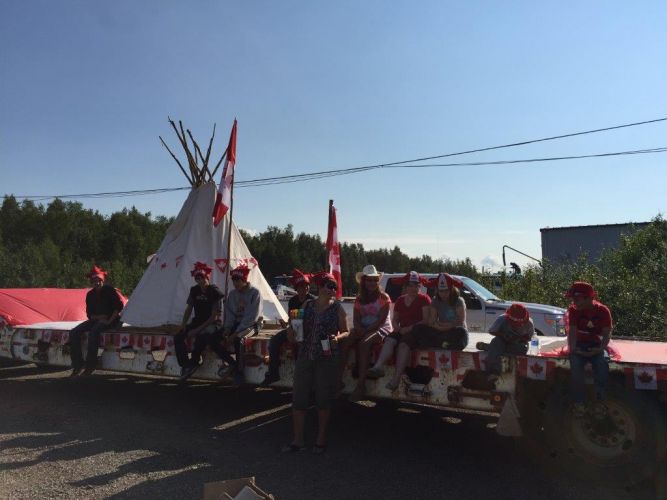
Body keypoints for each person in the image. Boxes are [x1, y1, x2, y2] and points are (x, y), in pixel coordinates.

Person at [283, 271, 348, 454]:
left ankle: (320, 440)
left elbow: (346, 331)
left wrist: (338, 336)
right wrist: (291, 328)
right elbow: (295, 330)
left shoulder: (338, 308)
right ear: (320, 287)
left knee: (323, 399)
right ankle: (298, 440)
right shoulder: (308, 305)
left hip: (326, 359)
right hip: (305, 355)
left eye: (335, 287)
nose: (332, 290)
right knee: (299, 397)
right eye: (329, 286)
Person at [389, 273, 468, 390]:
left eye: (446, 291)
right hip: (442, 331)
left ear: (451, 289)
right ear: (437, 290)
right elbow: (431, 322)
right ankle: (442, 344)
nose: (443, 294)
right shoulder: (435, 301)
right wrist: (441, 327)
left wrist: (443, 326)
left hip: (455, 333)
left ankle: (441, 343)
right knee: (420, 328)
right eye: (441, 291)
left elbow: (459, 322)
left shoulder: (458, 301)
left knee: (460, 332)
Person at [366, 271, 431, 381]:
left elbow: (426, 320)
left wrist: (408, 329)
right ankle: (377, 367)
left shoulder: (424, 299)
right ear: (405, 287)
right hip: (402, 330)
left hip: (418, 332)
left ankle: (396, 378)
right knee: (390, 340)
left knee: (403, 345)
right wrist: (397, 327)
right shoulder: (400, 300)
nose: (414, 288)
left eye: (417, 285)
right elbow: (395, 319)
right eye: (411, 285)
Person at [341, 264, 392, 402]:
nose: (372, 283)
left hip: (381, 328)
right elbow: (356, 319)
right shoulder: (359, 299)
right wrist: (359, 329)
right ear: (364, 281)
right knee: (345, 341)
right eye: (369, 280)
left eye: (375, 280)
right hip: (363, 327)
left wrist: (364, 330)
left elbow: (381, 320)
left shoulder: (384, 297)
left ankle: (361, 386)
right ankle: (338, 378)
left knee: (364, 344)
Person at [261, 269, 316, 386]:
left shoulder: (313, 300)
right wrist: (290, 329)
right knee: (274, 341)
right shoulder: (293, 301)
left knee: (299, 345)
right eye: (301, 286)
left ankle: (302, 379)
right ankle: (273, 373)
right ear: (296, 288)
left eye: (306, 286)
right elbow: (292, 319)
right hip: (295, 328)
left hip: (309, 331)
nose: (305, 288)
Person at [566, 281, 612, 418]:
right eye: (573, 298)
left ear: (589, 298)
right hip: (579, 344)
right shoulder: (573, 310)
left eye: (577, 298)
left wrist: (599, 350)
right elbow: (572, 332)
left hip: (596, 344)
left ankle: (599, 401)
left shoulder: (603, 311)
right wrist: (573, 349)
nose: (574, 301)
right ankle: (579, 402)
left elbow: (607, 333)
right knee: (575, 366)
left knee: (602, 364)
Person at [212, 263, 263, 385]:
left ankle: (240, 373)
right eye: (234, 281)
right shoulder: (233, 294)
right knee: (213, 338)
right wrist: (227, 329)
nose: (235, 284)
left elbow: (251, 317)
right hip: (236, 324)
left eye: (238, 281)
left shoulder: (255, 293)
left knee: (239, 340)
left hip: (252, 325)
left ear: (244, 280)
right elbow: (229, 314)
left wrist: (234, 334)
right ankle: (232, 364)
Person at [69, 265, 124, 376]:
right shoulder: (90, 295)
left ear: (103, 280)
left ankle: (91, 365)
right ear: (91, 282)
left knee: (94, 332)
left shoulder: (110, 290)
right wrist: (99, 318)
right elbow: (90, 315)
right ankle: (77, 365)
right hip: (97, 320)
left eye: (99, 280)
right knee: (74, 332)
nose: (97, 283)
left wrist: (108, 321)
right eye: (94, 281)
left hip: (112, 320)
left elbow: (118, 308)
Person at [176, 262, 224, 381]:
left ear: (207, 277)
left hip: (212, 323)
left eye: (201, 277)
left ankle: (194, 361)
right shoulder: (194, 290)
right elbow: (189, 309)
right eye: (196, 277)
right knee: (178, 337)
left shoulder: (215, 292)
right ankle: (186, 365)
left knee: (202, 335)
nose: (198, 280)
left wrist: (196, 330)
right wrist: (183, 324)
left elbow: (214, 317)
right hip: (197, 321)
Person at [477, 303, 534, 383]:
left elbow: (528, 338)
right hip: (502, 341)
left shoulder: (529, 324)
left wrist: (519, 338)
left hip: (516, 344)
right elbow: (492, 331)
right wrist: (503, 335)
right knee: (496, 342)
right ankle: (492, 371)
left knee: (522, 349)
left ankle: (487, 347)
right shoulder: (502, 319)